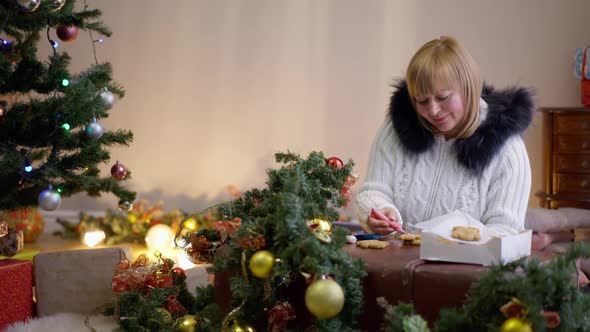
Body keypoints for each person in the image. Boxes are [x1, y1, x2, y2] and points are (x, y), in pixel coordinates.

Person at [353, 36, 534, 236]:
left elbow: (506, 230)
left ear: (469, 88)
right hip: (395, 264)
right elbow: (372, 191)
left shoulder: (507, 150)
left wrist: (457, 242)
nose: (433, 111)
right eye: (421, 101)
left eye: (443, 97)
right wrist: (379, 210)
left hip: (467, 267)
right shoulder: (396, 130)